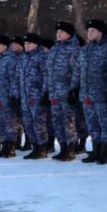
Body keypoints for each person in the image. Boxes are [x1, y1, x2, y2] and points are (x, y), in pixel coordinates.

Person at [72, 19, 107, 164]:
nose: (89, 33)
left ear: (100, 32)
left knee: (105, 123)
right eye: (88, 30)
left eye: (93, 30)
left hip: (102, 93)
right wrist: (75, 87)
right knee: (92, 123)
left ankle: (104, 150)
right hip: (86, 94)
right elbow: (78, 71)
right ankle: (96, 149)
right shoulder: (85, 50)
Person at [47, 21, 82, 161]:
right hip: (54, 92)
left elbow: (76, 71)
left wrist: (73, 89)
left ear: (69, 34)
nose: (58, 33)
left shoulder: (74, 49)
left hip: (67, 92)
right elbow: (48, 72)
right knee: (57, 121)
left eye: (61, 31)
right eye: (57, 31)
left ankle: (71, 149)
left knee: (69, 121)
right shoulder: (54, 49)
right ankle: (62, 148)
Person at [18, 33, 50, 159]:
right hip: (25, 96)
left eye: (29, 43)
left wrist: (45, 93)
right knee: (28, 122)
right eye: (25, 43)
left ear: (36, 44)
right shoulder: (24, 57)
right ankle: (35, 146)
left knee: (38, 122)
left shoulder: (42, 57)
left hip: (37, 96)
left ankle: (42, 148)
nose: (26, 46)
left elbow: (46, 76)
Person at [0, 35, 21, 158]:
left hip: (6, 98)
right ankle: (4, 146)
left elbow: (14, 79)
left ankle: (11, 147)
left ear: (5, 47)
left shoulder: (10, 60)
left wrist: (14, 96)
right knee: (0, 123)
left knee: (10, 123)